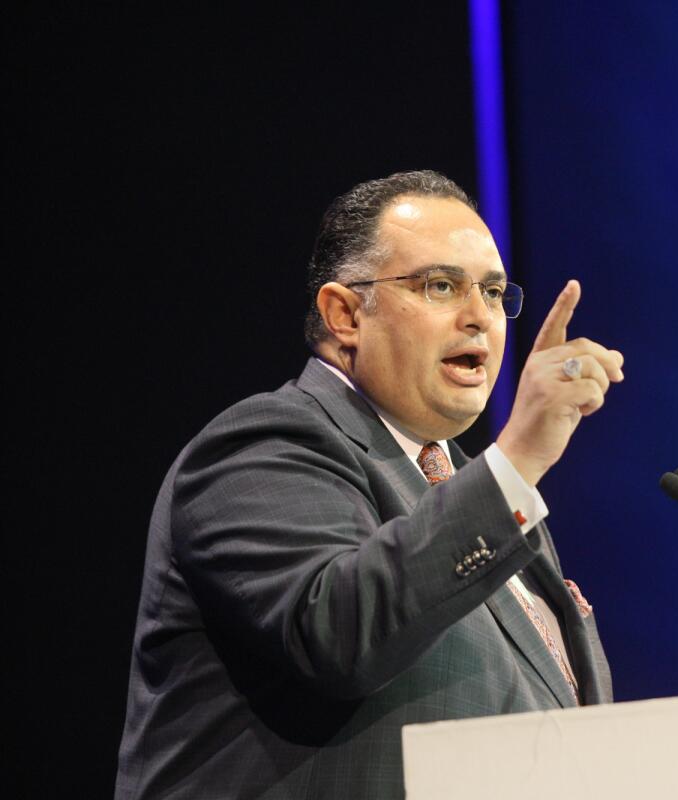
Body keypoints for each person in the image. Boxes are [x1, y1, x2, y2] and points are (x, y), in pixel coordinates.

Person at [115, 170, 623, 799]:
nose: (480, 319)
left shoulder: (476, 488)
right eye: (441, 286)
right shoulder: (265, 443)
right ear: (346, 313)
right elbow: (338, 631)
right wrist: (517, 460)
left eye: (494, 293)